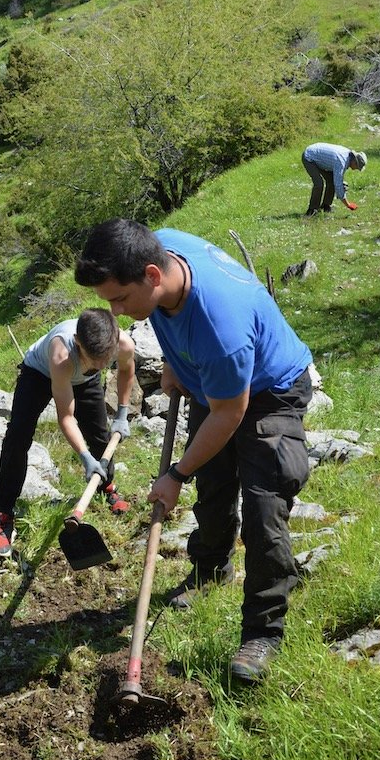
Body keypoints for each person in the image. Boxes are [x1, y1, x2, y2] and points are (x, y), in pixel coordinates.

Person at [75, 220, 313, 682]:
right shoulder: (165, 247)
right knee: (215, 483)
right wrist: (174, 361)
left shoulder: (220, 328)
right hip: (214, 385)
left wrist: (175, 474)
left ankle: (263, 633)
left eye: (119, 299)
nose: (117, 312)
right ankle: (210, 571)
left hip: (270, 389)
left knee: (265, 508)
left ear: (151, 275)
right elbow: (173, 321)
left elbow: (230, 413)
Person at [0, 308, 136, 561]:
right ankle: (4, 514)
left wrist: (122, 413)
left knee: (100, 433)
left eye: (105, 359)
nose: (101, 366)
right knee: (18, 436)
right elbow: (66, 416)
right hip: (40, 374)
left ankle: (107, 485)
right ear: (78, 342)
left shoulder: (121, 344)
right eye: (95, 360)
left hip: (82, 379)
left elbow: (125, 370)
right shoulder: (62, 354)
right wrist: (85, 457)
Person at [301, 142, 366, 215]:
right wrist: (348, 204)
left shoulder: (347, 156)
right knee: (319, 184)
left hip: (319, 158)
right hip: (309, 157)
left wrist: (341, 184)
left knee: (331, 181)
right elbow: (338, 185)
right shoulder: (341, 162)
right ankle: (312, 210)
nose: (356, 169)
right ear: (354, 162)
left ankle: (326, 206)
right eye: (357, 167)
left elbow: (337, 180)